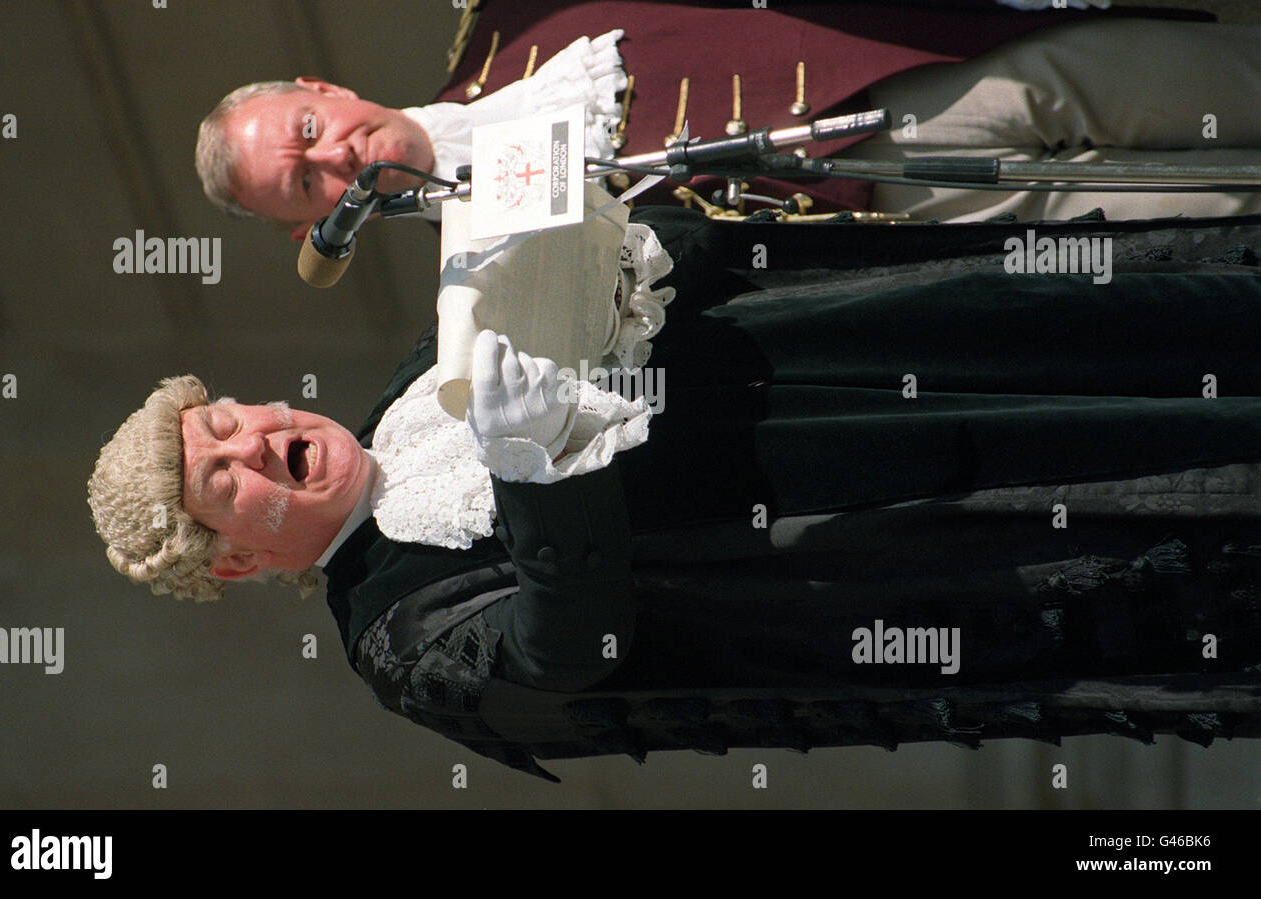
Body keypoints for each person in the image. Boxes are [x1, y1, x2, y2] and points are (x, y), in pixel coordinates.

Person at [89, 203, 1261, 779]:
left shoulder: (422, 374)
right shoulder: (398, 636)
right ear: (237, 560)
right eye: (219, 482)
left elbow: (693, 264)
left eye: (227, 421)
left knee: (1180, 332)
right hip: (923, 538)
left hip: (917, 345)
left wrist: (609, 236)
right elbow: (570, 640)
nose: (254, 444)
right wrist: (535, 468)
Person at [194, 0, 1261, 240]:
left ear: (322, 89)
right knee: (1195, 225)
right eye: (304, 182)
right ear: (309, 221)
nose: (331, 156)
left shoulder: (519, 6)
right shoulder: (477, 276)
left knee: (1191, 89)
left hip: (906, 74)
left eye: (305, 131)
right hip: (882, 222)